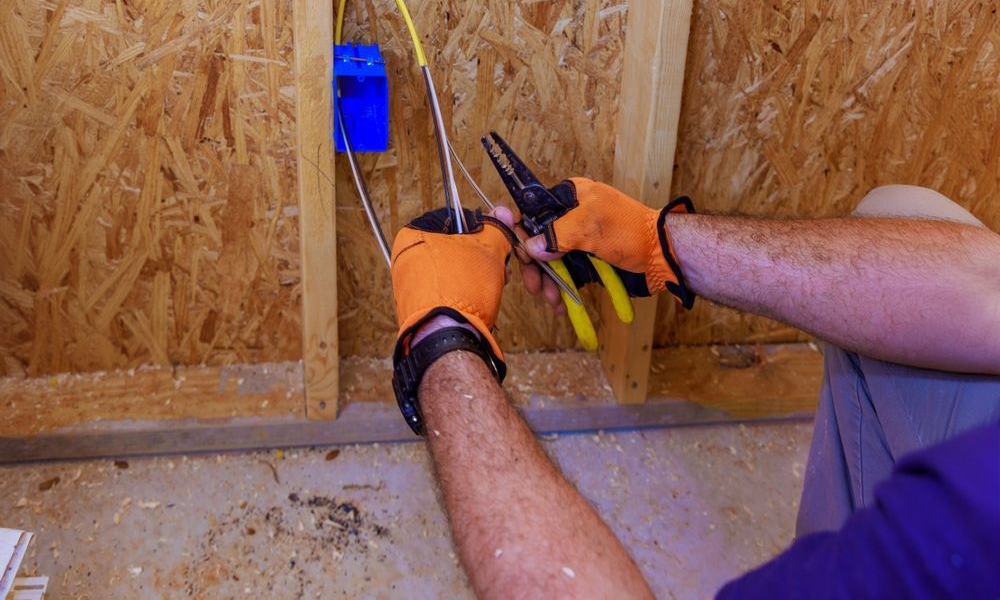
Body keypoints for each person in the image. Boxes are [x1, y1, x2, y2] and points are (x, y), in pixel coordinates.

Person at [388, 179, 1000, 599]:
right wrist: (659, 242)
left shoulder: (960, 529)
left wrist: (444, 344)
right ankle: (827, 540)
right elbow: (987, 287)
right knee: (904, 209)